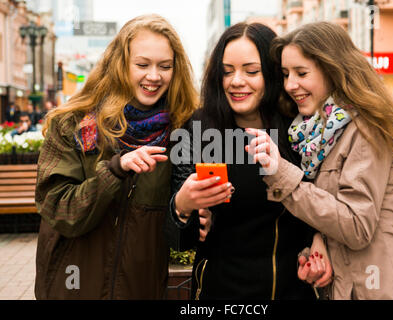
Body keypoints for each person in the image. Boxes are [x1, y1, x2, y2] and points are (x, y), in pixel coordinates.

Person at [247, 21, 393, 299]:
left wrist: (281, 174)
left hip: (386, 288)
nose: (290, 85)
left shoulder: (365, 128)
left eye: (302, 73)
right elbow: (334, 212)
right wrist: (316, 247)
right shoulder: (317, 134)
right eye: (286, 74)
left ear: (333, 69)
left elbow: (356, 226)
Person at [34, 14, 198, 299]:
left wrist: (189, 212)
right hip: (73, 286)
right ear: (120, 64)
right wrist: (115, 170)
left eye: (165, 66)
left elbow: (179, 237)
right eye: (142, 64)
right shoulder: (74, 123)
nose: (154, 76)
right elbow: (59, 210)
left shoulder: (182, 132)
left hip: (140, 289)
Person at [167, 22, 332, 300]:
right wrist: (183, 207)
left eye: (251, 71)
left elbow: (321, 200)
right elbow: (178, 237)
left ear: (271, 74)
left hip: (292, 288)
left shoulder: (299, 127)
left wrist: (320, 238)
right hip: (220, 290)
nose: (236, 81)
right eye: (227, 71)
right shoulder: (197, 129)